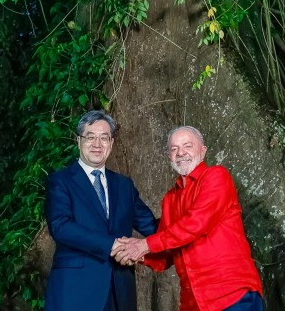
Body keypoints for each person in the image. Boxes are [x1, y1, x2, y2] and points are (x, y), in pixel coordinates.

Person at [113, 126, 264, 311]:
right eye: (174, 148)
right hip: (193, 300)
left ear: (203, 150)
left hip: (231, 293)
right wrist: (131, 253)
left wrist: (143, 245)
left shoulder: (216, 176)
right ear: (169, 156)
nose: (181, 153)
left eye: (187, 146)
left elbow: (196, 224)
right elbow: (166, 255)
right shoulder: (170, 199)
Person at [45, 111, 158, 311]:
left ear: (111, 143)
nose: (97, 144)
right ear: (78, 140)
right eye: (90, 137)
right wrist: (111, 245)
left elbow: (153, 227)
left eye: (104, 138)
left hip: (120, 290)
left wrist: (190, 217)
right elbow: (60, 226)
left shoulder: (124, 185)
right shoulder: (61, 180)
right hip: (76, 290)